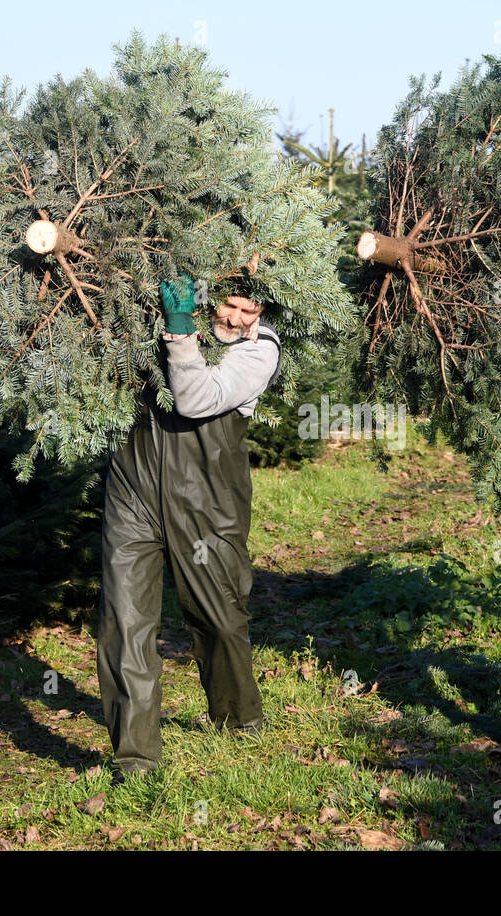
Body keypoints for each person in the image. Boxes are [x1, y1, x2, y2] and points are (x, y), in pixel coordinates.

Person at [96, 275, 281, 778]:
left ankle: (237, 718)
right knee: (125, 619)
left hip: (206, 501)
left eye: (250, 310)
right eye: (230, 304)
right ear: (208, 294)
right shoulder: (166, 319)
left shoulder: (260, 352)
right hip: (133, 487)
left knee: (219, 614)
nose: (237, 318)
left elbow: (195, 400)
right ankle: (135, 757)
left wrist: (179, 330)